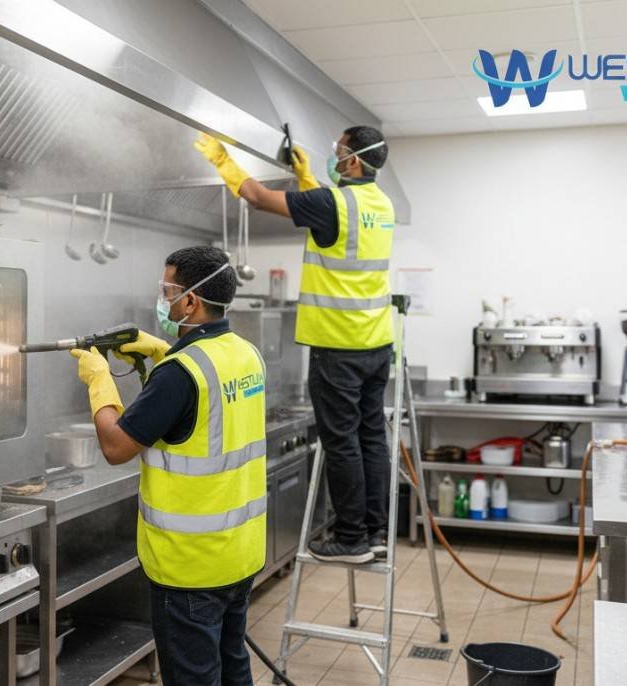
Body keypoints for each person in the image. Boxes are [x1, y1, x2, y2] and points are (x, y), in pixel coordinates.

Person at [194, 126, 395, 565]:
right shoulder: (380, 204)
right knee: (371, 438)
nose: (333, 156)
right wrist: (306, 180)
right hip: (376, 344)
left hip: (337, 346)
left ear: (355, 160)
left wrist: (221, 160)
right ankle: (376, 533)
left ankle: (351, 539)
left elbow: (258, 197)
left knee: (341, 442)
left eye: (338, 151)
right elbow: (333, 225)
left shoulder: (333, 202)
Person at [69, 245, 267, 686]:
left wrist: (100, 383)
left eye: (168, 290)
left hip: (191, 566)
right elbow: (201, 413)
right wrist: (162, 352)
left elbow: (117, 446)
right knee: (232, 665)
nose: (163, 299)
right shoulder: (245, 353)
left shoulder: (180, 373)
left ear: (191, 301)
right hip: (239, 552)